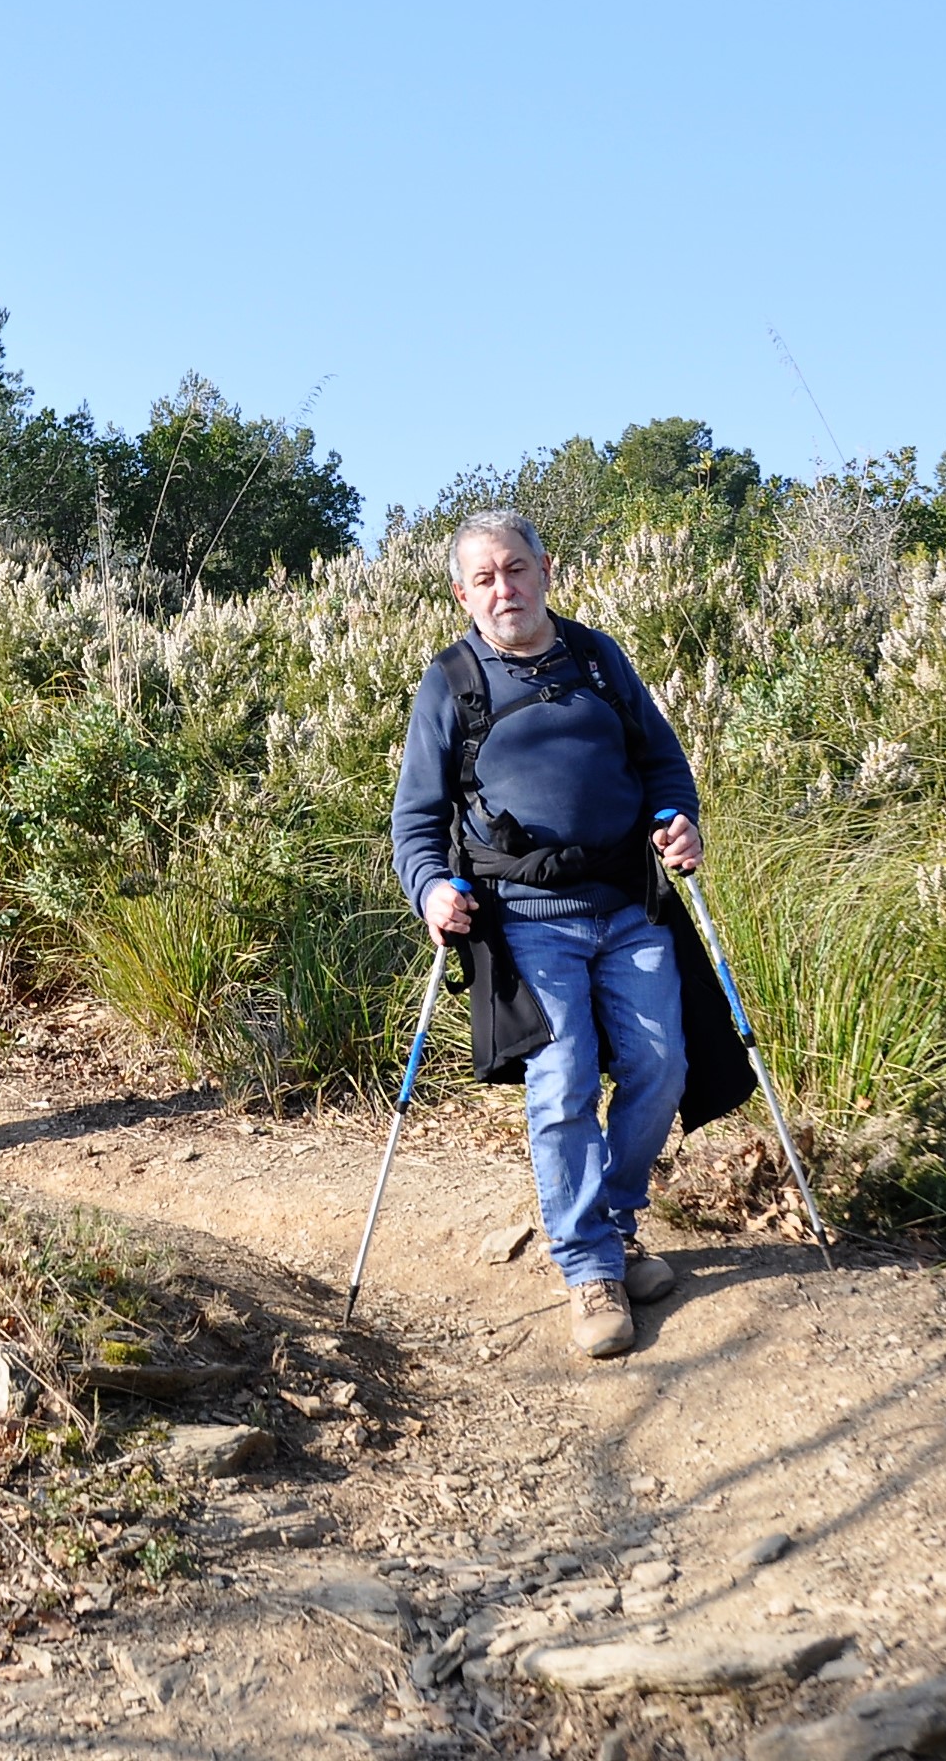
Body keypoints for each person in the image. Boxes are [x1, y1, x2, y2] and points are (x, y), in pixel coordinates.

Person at [390, 510, 708, 1360]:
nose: (505, 590)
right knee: (563, 1081)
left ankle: (614, 1224)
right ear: (462, 594)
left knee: (662, 1067)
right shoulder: (451, 682)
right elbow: (415, 821)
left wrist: (679, 820)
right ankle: (591, 1268)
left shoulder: (599, 658)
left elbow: (662, 765)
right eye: (484, 578)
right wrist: (431, 892)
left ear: (546, 571)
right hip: (525, 922)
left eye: (516, 570)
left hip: (627, 905)